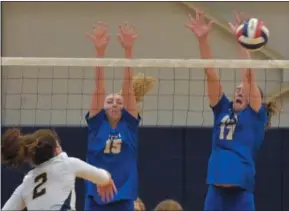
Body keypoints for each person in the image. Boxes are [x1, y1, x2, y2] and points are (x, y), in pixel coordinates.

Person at [185, 9, 279, 211]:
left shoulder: (255, 116)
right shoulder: (222, 109)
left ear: (256, 99)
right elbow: (210, 74)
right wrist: (202, 40)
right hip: (215, 194)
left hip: (241, 196)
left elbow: (248, 76)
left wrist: (242, 41)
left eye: (243, 91)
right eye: (236, 89)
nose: (238, 90)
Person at [84, 21, 147, 211]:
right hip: (95, 196)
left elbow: (128, 86)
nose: (114, 104)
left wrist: (128, 50)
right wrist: (100, 52)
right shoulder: (96, 125)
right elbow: (99, 87)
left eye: (119, 102)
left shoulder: (129, 125)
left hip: (123, 196)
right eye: (110, 101)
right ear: (102, 107)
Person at [1, 129, 117, 211]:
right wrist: (106, 181)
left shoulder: (27, 182)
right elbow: (104, 177)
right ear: (56, 149)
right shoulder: (68, 164)